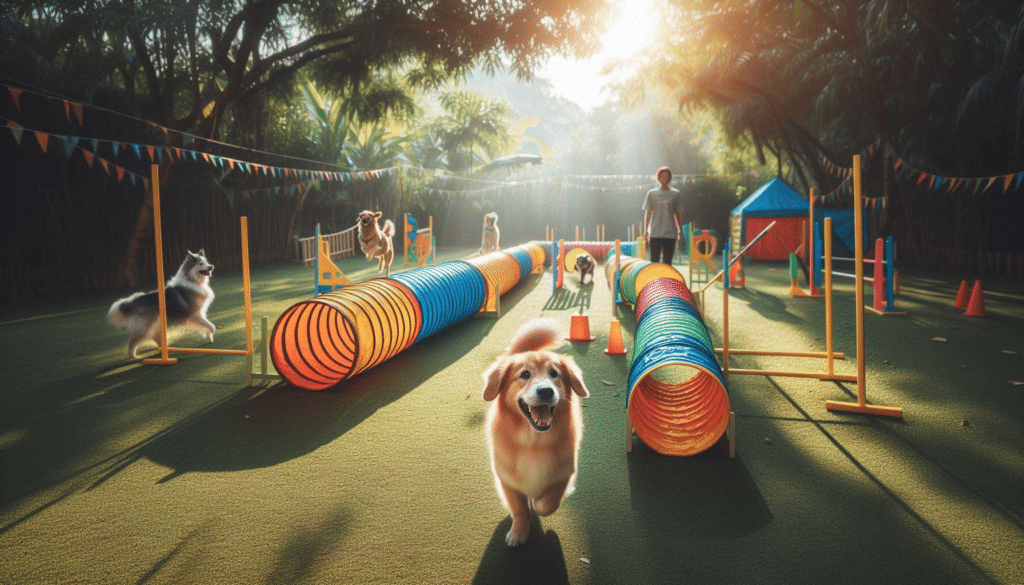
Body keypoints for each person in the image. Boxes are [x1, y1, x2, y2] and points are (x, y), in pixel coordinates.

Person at [642, 166, 684, 264]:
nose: (664, 179)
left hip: (670, 234)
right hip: (655, 233)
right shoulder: (651, 193)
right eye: (662, 177)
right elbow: (648, 213)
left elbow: (678, 213)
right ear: (658, 178)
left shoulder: (675, 194)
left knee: (667, 262)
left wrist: (680, 231)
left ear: (670, 178)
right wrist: (646, 230)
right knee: (654, 261)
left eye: (666, 177)